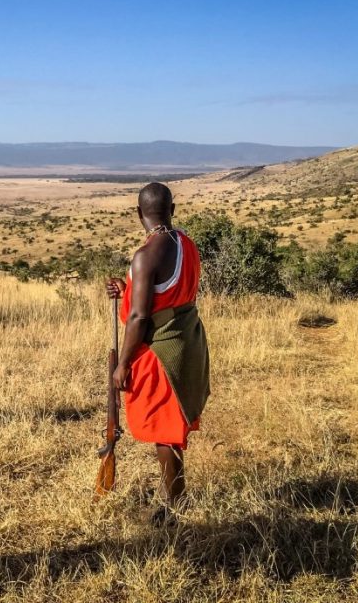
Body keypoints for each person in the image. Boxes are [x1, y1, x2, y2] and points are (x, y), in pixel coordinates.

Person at [107, 182, 209, 526]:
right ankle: (175, 498)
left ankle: (175, 508)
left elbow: (139, 317)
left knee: (164, 432)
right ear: (173, 210)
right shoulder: (186, 244)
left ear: (139, 214)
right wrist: (128, 288)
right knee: (170, 427)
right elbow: (165, 294)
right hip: (186, 341)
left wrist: (122, 364)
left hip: (159, 351)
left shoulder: (145, 255)